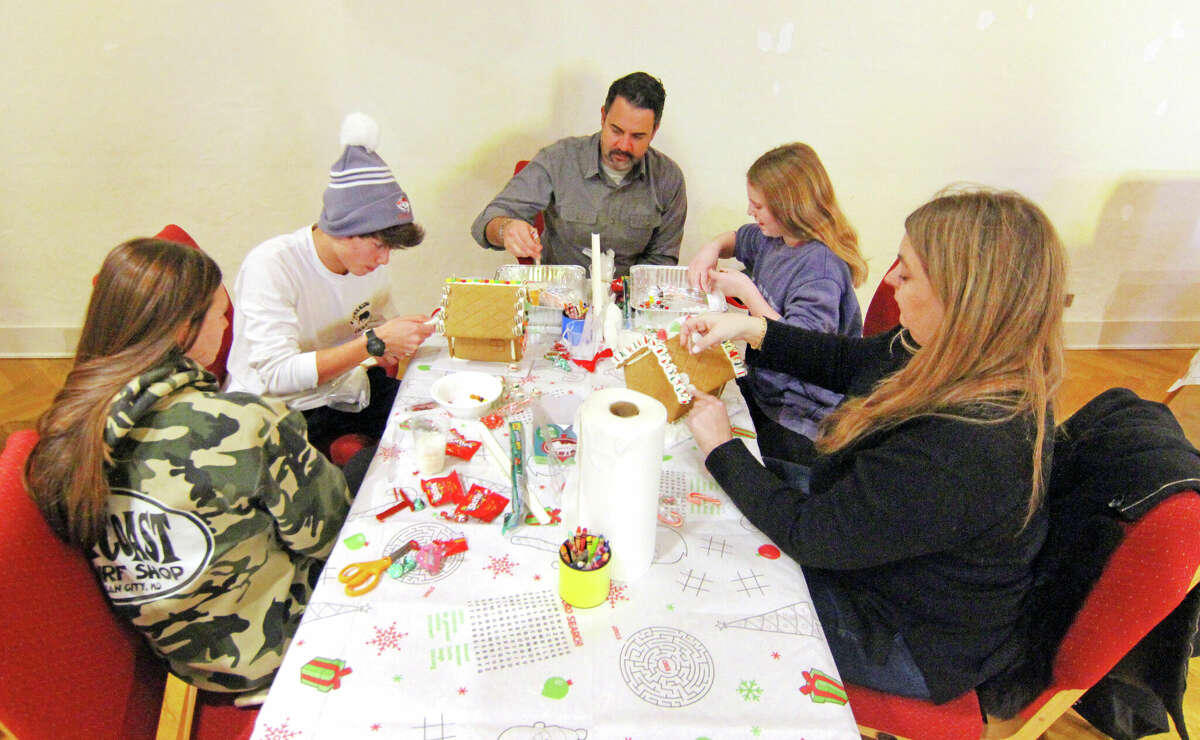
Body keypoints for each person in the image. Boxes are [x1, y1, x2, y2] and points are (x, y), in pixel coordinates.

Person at [681, 188, 1065, 704]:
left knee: (706, 584)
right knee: (707, 508)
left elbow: (811, 534)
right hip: (875, 546)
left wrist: (721, 449)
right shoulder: (952, 350)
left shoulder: (964, 450)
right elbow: (850, 360)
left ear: (965, 298)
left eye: (906, 273)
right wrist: (752, 328)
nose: (889, 282)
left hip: (906, 633)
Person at [25, 239, 351, 693]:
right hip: (273, 649)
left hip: (181, 655)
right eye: (221, 313)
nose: (226, 325)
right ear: (183, 330)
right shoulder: (244, 424)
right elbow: (330, 537)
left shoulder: (66, 425)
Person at [225, 112, 435, 454]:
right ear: (342, 228)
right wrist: (375, 344)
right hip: (276, 413)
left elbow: (374, 327)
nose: (384, 260)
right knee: (389, 462)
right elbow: (276, 374)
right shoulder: (273, 266)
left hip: (340, 391)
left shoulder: (368, 265)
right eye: (379, 245)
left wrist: (397, 340)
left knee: (435, 415)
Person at [686, 143, 866, 465]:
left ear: (790, 208)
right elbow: (738, 238)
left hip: (801, 418)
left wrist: (747, 291)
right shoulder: (776, 237)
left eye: (758, 205)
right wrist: (710, 248)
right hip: (765, 387)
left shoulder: (821, 270)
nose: (749, 212)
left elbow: (802, 350)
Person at [470, 71, 686, 277]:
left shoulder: (668, 178)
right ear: (603, 117)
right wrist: (506, 229)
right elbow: (485, 222)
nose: (624, 145)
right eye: (616, 131)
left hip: (627, 304)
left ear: (654, 131)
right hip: (558, 298)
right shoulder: (559, 159)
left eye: (638, 136)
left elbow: (661, 264)